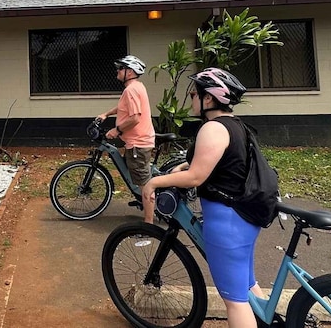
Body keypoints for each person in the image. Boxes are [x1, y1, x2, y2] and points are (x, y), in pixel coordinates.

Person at [140, 67, 263, 328]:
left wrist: (154, 182)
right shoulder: (237, 126)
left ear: (209, 99)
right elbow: (228, 163)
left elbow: (196, 177)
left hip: (226, 222)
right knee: (247, 284)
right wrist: (185, 166)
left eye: (194, 94)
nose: (192, 99)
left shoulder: (213, 128)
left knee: (234, 300)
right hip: (246, 217)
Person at [96, 55, 156, 200]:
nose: (118, 70)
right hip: (138, 142)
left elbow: (135, 117)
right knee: (138, 178)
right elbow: (124, 108)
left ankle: (148, 221)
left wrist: (117, 130)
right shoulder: (136, 87)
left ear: (129, 72)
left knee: (145, 188)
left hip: (138, 144)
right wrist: (107, 114)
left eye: (121, 68)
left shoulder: (131, 90)